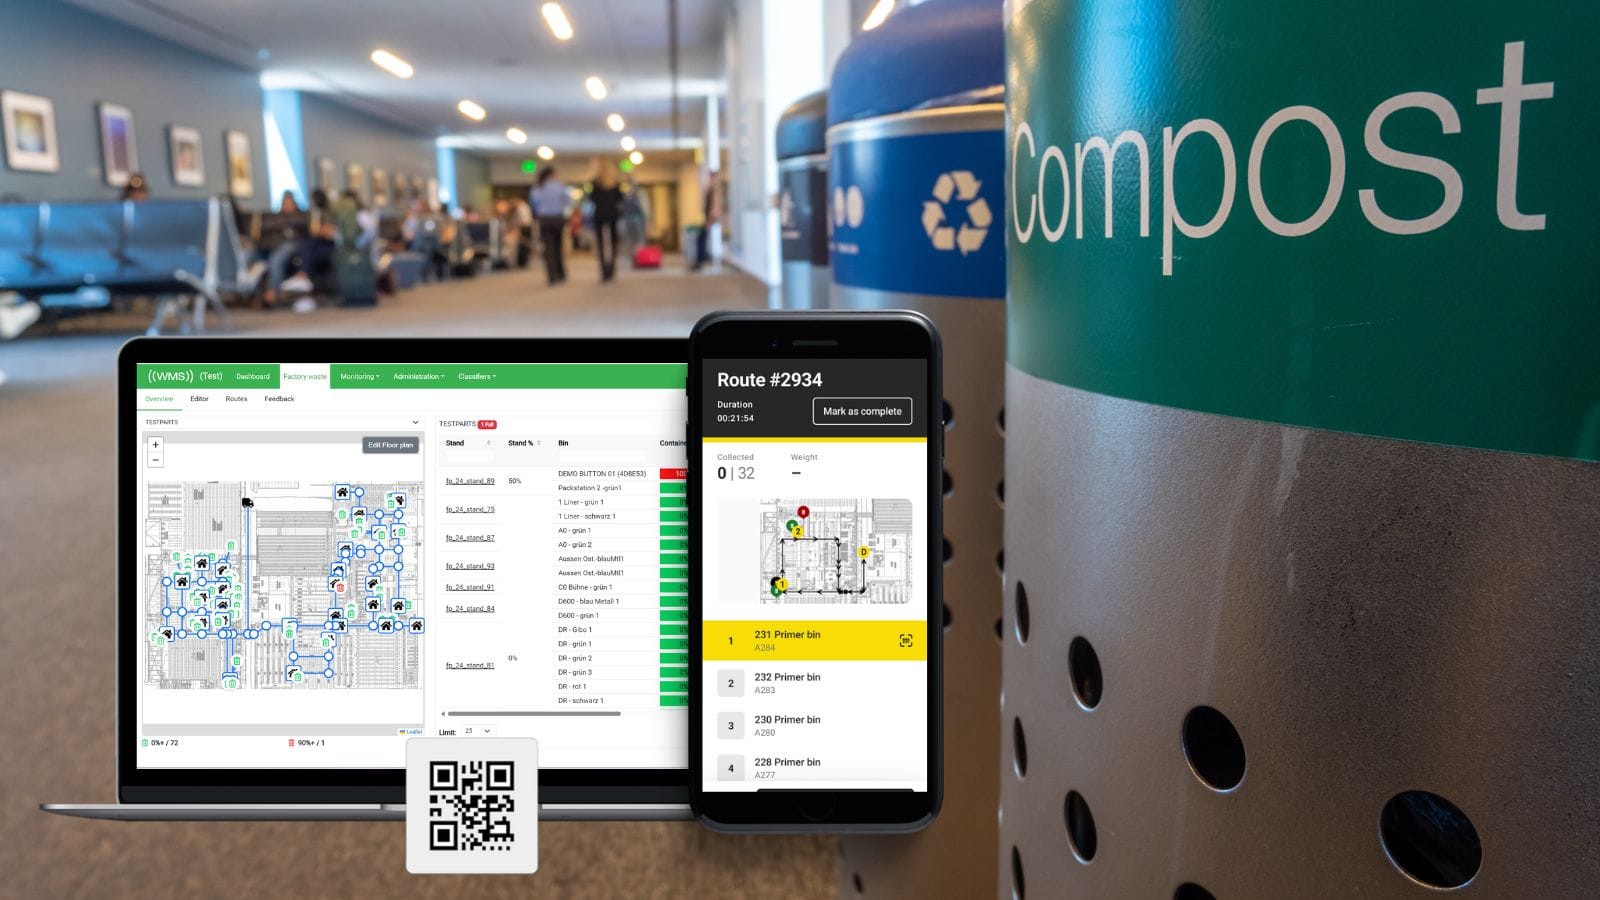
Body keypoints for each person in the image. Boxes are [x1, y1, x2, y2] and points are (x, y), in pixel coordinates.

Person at [529, 166, 568, 285]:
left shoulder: (538, 188)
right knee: (558, 246)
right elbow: (567, 202)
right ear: (551, 174)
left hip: (545, 219)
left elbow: (534, 204)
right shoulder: (560, 186)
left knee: (548, 247)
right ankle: (560, 273)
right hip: (557, 218)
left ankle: (552, 275)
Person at [589, 168, 624, 281]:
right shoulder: (616, 184)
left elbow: (591, 199)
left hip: (599, 216)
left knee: (601, 245)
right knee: (613, 244)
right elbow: (621, 199)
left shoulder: (595, 184)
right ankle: (612, 269)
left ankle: (604, 271)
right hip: (612, 215)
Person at [691, 171, 720, 272]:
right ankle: (701, 260)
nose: (710, 179)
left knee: (701, 240)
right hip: (707, 219)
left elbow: (713, 207)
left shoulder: (714, 190)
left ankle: (700, 261)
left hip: (709, 220)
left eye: (712, 177)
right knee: (700, 240)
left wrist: (709, 221)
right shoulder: (710, 189)